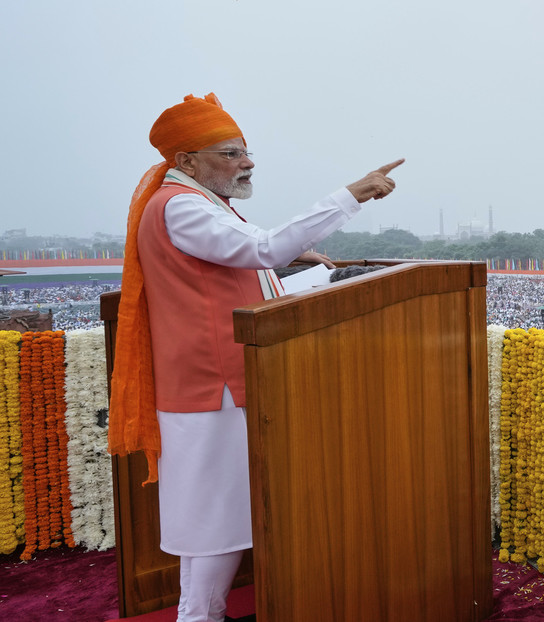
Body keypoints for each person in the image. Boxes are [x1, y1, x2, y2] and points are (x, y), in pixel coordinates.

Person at [108, 93, 402, 622]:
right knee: (215, 519)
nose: (246, 163)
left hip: (213, 384)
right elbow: (261, 248)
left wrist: (293, 255)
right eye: (229, 153)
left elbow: (250, 258)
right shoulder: (180, 206)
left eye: (246, 152)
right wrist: (351, 195)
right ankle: (199, 615)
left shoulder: (199, 203)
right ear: (187, 162)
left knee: (209, 516)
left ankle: (198, 613)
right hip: (213, 385)